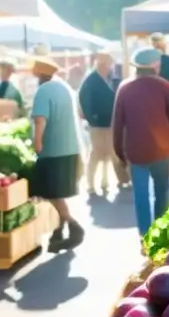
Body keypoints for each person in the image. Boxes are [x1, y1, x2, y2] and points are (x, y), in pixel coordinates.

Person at [112, 47, 169, 236]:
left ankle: (145, 236)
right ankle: (160, 233)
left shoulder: (125, 88)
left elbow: (117, 124)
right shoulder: (165, 86)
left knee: (141, 195)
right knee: (161, 191)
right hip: (162, 150)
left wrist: (119, 153)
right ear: (154, 65)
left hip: (135, 151)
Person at [30, 56, 85, 250]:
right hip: (70, 148)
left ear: (38, 74)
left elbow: (40, 119)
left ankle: (73, 225)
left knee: (49, 191)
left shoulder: (43, 91)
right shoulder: (63, 87)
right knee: (56, 191)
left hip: (52, 150)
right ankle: (57, 233)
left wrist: (37, 142)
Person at [79, 52, 129, 195]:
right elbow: (85, 101)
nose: (110, 68)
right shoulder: (92, 80)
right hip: (98, 124)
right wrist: (92, 118)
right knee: (96, 154)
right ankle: (90, 183)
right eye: (109, 65)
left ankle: (105, 181)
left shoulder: (103, 79)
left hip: (107, 123)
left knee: (107, 153)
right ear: (102, 65)